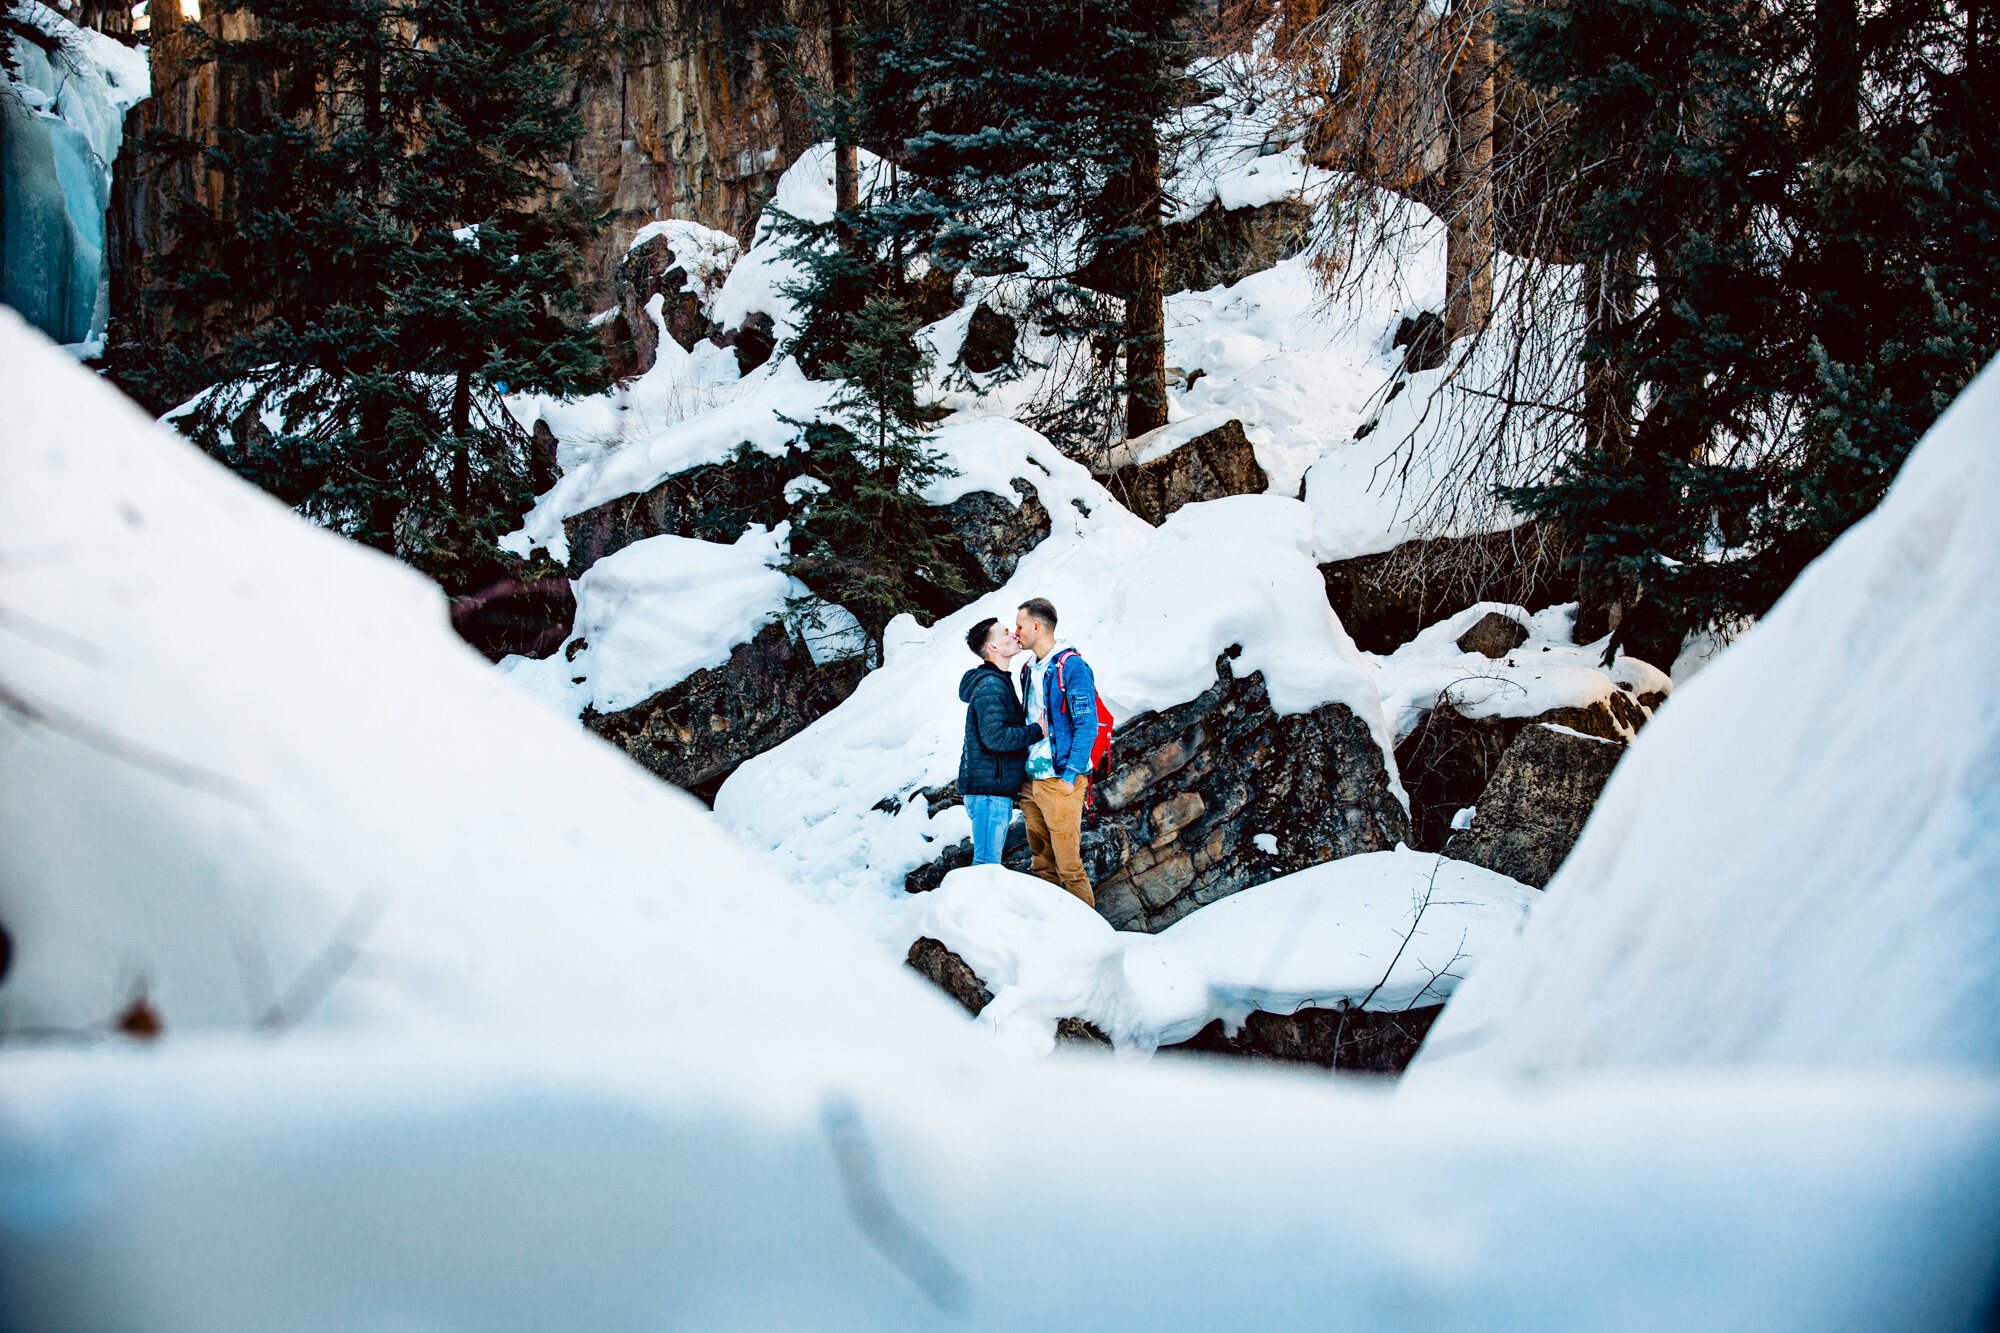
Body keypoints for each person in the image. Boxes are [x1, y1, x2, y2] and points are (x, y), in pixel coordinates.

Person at [1013, 597, 1098, 906]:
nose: (1016, 632)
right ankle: (1053, 936)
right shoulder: (1028, 669)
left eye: (1020, 626)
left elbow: (1088, 724)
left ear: (1037, 626)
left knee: (1070, 868)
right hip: (1031, 782)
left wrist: (1070, 775)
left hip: (1060, 778)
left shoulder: (1071, 666)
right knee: (1042, 865)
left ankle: (1093, 944)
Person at [958, 616, 1043, 866]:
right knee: (986, 865)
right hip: (988, 793)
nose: (1014, 635)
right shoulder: (991, 686)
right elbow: (996, 737)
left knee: (987, 864)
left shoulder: (998, 681)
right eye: (1005, 632)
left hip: (992, 791)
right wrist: (1037, 730)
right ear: (992, 647)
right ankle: (964, 906)